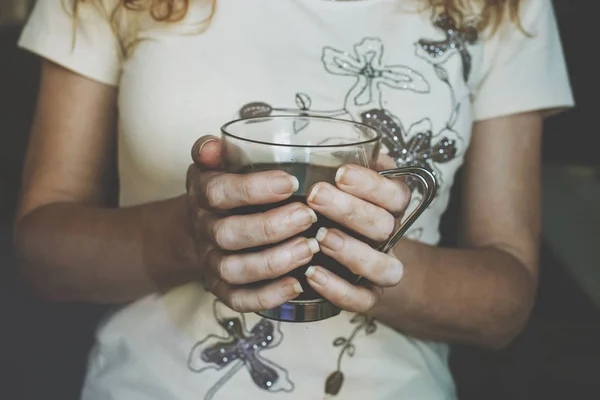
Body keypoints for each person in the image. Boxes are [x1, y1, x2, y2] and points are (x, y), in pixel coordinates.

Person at [13, 0, 573, 398]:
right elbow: (41, 254)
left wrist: (372, 261)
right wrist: (191, 235)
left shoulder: (506, 7)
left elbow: (507, 304)